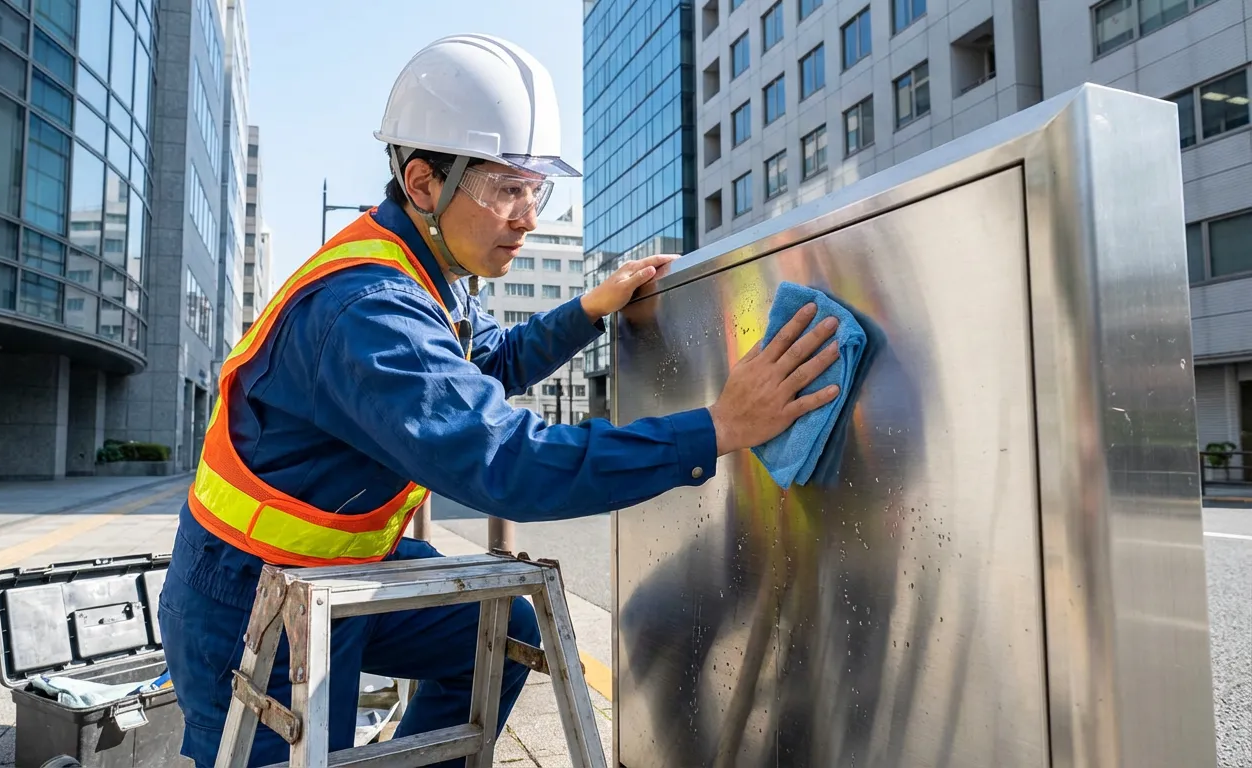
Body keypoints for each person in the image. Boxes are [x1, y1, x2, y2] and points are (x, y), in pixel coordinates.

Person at [157, 32, 843, 768]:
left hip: (343, 567)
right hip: (249, 594)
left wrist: (587, 309)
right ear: (423, 185)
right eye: (503, 189)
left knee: (500, 632)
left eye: (533, 189)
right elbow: (502, 462)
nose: (527, 215)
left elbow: (491, 358)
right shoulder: (369, 309)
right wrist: (715, 428)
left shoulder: (431, 271)